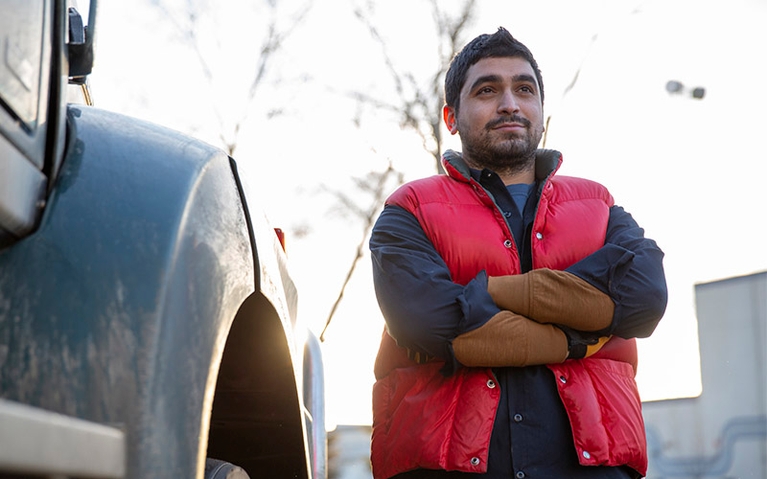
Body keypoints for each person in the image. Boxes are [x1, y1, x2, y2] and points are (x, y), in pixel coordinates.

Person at [368, 27, 667, 479]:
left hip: (597, 464)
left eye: (524, 89)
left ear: (541, 110)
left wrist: (488, 295)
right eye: (487, 90)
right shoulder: (408, 210)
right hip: (444, 466)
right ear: (451, 116)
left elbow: (645, 298)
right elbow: (428, 322)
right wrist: (574, 338)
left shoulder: (600, 204)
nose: (509, 103)